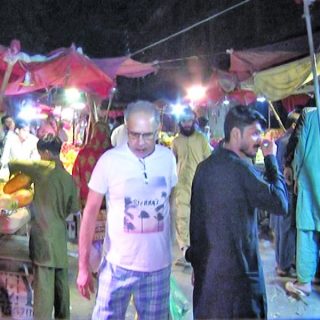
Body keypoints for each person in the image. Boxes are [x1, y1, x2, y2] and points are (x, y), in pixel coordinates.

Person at [77, 100, 177, 319]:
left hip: (157, 269)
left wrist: (176, 246)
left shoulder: (167, 159)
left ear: (158, 129)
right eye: (133, 134)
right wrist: (83, 266)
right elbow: (90, 213)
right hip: (117, 267)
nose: (140, 142)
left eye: (147, 135)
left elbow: (170, 203)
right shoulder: (109, 161)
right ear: (125, 127)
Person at [186, 105, 288, 319]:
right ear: (235, 134)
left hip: (209, 279)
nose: (260, 140)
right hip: (240, 280)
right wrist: (271, 158)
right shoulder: (242, 171)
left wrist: (196, 263)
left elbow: (195, 222)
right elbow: (280, 203)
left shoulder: (204, 168)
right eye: (254, 133)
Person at [8, 134, 80, 319]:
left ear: (47, 153)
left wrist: (13, 174)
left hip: (43, 237)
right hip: (59, 238)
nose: (40, 158)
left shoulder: (41, 169)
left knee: (44, 290)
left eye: (41, 154)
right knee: (61, 284)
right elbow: (73, 208)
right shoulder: (68, 178)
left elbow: (14, 162)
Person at [285, 107, 320, 297]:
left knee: (307, 231)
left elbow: (301, 150)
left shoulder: (310, 114)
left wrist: (296, 174)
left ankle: (305, 281)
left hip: (310, 181)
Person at [171, 107, 212, 266]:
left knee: (199, 217)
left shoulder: (201, 139)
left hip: (199, 184)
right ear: (180, 122)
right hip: (181, 185)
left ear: (193, 121)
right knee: (182, 217)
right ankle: (185, 251)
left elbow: (209, 160)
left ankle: (199, 249)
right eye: (184, 121)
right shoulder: (176, 141)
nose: (187, 124)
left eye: (189, 120)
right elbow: (172, 162)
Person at [72, 121, 112, 271]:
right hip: (109, 206)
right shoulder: (111, 155)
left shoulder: (83, 154)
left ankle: (93, 268)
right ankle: (106, 266)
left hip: (88, 205)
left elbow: (75, 178)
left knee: (91, 237)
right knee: (108, 238)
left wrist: (77, 203)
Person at [269, 109, 301, 277]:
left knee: (283, 228)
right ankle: (284, 264)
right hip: (289, 189)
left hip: (282, 188)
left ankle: (281, 262)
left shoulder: (282, 140)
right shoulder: (291, 141)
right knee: (287, 228)